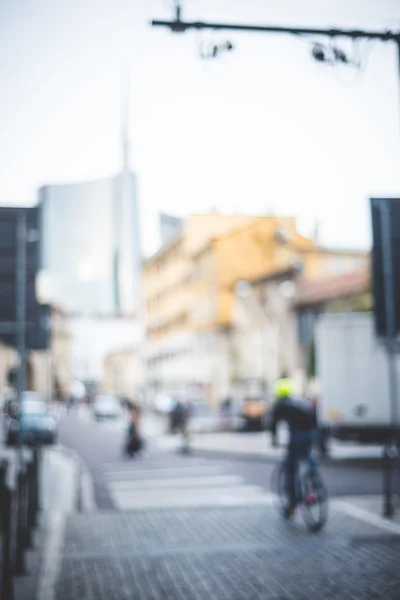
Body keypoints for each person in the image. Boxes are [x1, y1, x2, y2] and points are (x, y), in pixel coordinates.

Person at [270, 376, 317, 517]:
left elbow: (273, 424)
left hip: (296, 437)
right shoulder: (299, 401)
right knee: (307, 457)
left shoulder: (280, 405)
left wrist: (274, 440)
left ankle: (292, 502)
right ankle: (313, 482)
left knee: (291, 468)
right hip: (310, 435)